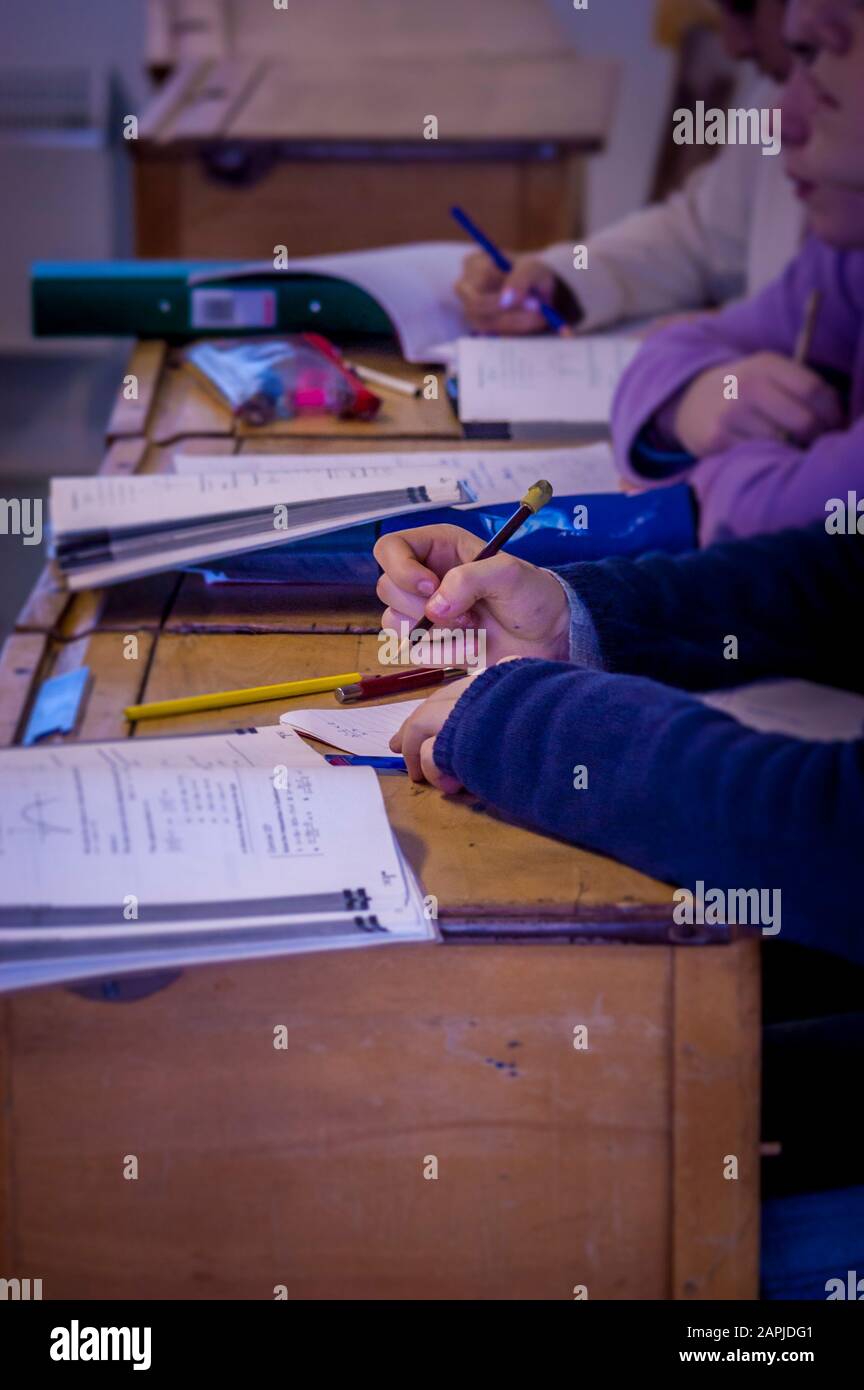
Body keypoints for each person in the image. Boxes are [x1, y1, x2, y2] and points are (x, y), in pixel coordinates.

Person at [611, 0, 864, 541]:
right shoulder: (847, 256)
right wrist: (688, 401)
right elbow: (666, 352)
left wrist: (701, 490)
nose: (776, 120)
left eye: (817, 54)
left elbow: (794, 523)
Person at [455, 0, 803, 335]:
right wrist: (562, 280)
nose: (733, 47)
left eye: (745, 6)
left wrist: (719, 334)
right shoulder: (775, 95)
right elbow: (698, 239)